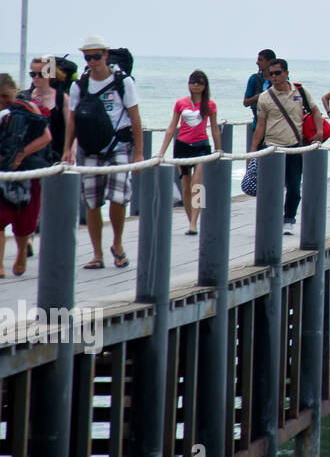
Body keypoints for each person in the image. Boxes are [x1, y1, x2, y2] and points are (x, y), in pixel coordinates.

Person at [64, 36, 143, 270]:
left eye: (97, 56)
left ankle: (117, 244)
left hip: (118, 144)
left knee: (118, 196)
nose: (93, 61)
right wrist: (67, 149)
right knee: (92, 201)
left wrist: (139, 153)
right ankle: (97, 253)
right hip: (90, 147)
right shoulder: (79, 86)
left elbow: (135, 117)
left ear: (106, 55)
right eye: (88, 57)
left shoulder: (123, 82)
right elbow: (72, 119)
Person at [249, 59, 324, 236]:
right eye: (271, 73)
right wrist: (253, 151)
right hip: (272, 149)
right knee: (270, 189)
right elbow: (260, 126)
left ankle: (289, 218)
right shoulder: (265, 97)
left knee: (293, 188)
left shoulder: (300, 92)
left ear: (286, 73)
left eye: (277, 73)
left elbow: (315, 111)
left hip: (294, 148)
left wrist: (319, 131)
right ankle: (271, 220)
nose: (274, 77)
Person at [0, 73, 52, 277]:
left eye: (6, 96)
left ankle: (21, 251)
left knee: (25, 220)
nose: (3, 101)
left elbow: (46, 137)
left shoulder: (27, 109)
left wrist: (22, 153)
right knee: (0, 218)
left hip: (27, 172)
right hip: (3, 171)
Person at [157, 70, 220, 235]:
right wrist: (161, 151)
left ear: (205, 85)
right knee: (185, 186)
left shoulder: (210, 105)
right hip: (182, 146)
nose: (196, 85)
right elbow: (172, 127)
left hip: (202, 147)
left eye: (200, 82)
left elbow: (214, 128)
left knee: (197, 184)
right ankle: (190, 220)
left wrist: (219, 149)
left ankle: (194, 223)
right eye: (193, 82)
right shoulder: (181, 103)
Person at [243, 49, 276, 129]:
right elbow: (245, 102)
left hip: (276, 127)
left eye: (260, 60)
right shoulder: (254, 79)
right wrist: (257, 97)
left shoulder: (280, 80)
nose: (257, 63)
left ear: (270, 62)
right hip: (258, 126)